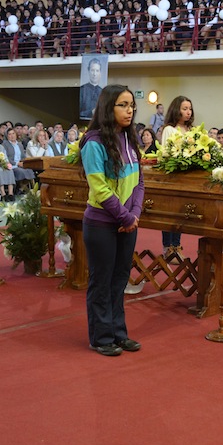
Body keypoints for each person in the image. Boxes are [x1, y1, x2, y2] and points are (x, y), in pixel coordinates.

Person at [79, 84, 144, 357]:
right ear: (108, 107)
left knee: (119, 281)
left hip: (127, 222)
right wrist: (125, 216)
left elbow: (139, 181)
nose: (129, 111)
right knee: (102, 282)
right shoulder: (93, 142)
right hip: (101, 223)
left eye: (132, 106)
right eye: (123, 105)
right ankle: (101, 337)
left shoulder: (129, 139)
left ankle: (119, 333)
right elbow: (100, 188)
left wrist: (134, 214)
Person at [159, 95, 194, 259]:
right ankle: (168, 247)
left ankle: (177, 246)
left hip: (187, 178)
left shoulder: (192, 130)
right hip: (172, 177)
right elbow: (168, 153)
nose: (188, 112)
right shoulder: (169, 129)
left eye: (190, 109)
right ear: (176, 110)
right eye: (184, 109)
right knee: (169, 213)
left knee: (181, 213)